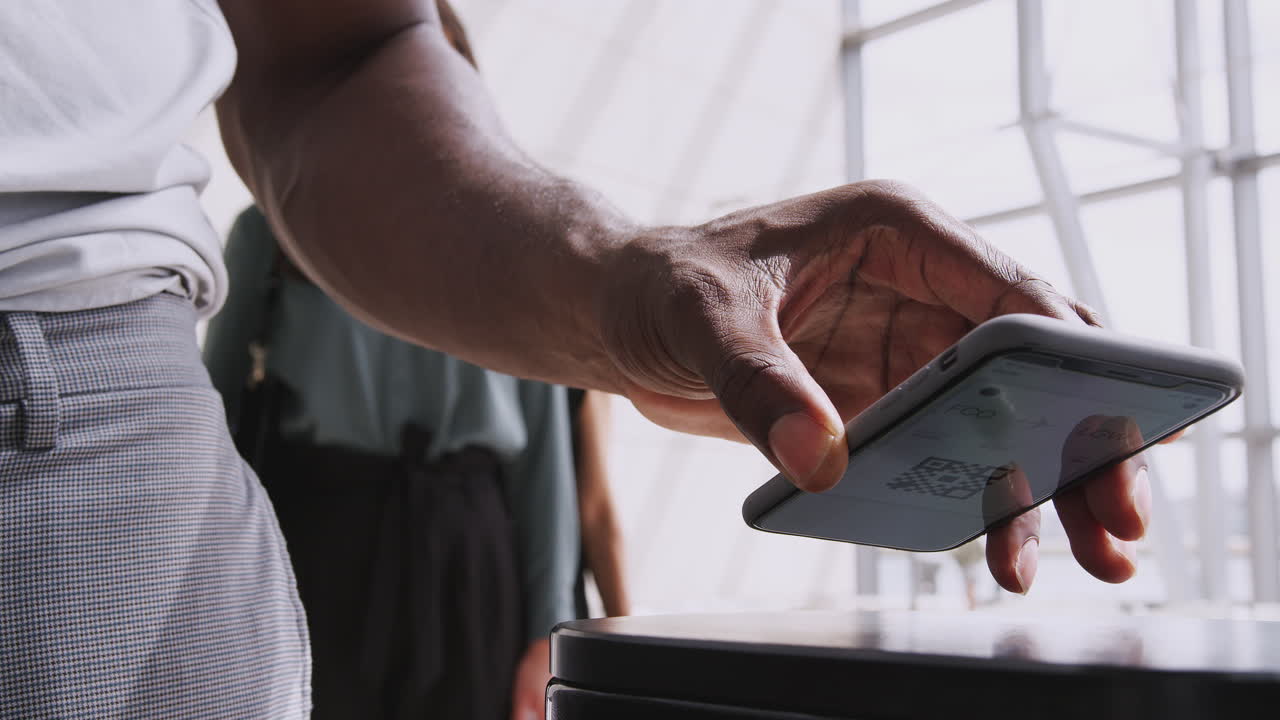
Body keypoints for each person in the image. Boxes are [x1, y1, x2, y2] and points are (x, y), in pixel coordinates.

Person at [0, 1, 1158, 716]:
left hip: (107, 423)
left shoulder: (278, 242)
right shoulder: (257, 247)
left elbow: (337, 59)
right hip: (302, 513)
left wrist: (617, 283)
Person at [205, 204, 579, 720]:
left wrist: (550, 635)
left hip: (466, 562)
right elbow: (215, 424)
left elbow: (545, 460)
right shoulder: (276, 223)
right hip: (316, 550)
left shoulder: (520, 235)